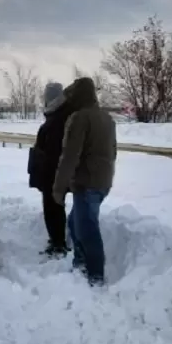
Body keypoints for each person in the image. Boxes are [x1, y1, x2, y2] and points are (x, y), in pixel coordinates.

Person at [52, 77, 117, 287]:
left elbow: (69, 156)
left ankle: (96, 277)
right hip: (103, 182)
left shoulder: (80, 118)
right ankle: (80, 264)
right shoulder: (107, 118)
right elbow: (113, 151)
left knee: (87, 230)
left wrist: (59, 188)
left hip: (87, 182)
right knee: (76, 222)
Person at [28, 82, 74, 258]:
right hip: (53, 173)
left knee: (53, 207)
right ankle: (57, 241)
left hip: (53, 174)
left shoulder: (58, 118)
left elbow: (54, 153)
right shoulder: (59, 114)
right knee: (55, 207)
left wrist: (45, 172)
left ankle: (58, 244)